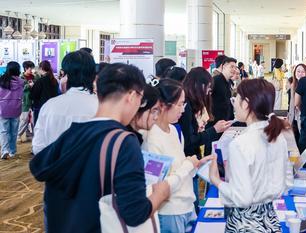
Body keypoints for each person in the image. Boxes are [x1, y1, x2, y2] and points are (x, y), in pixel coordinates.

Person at [29, 63, 170, 233]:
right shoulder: (124, 141)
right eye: (141, 99)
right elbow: (135, 213)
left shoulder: (72, 133)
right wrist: (160, 194)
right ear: (132, 96)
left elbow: (37, 166)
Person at [209, 79, 293, 232]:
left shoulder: (239, 144)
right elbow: (287, 184)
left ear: (246, 103)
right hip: (270, 221)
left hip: (244, 224)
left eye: (236, 99)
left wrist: (216, 180)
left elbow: (243, 198)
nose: (234, 104)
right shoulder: (278, 137)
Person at [141, 78, 211, 233]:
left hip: (187, 205)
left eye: (184, 104)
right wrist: (188, 165)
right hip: (169, 211)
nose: (183, 109)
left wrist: (196, 164)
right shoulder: (151, 137)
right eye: (179, 104)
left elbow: (179, 168)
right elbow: (157, 186)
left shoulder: (173, 130)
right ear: (164, 105)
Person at [178, 67, 231, 213]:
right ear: (198, 85)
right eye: (207, 87)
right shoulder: (186, 107)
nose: (209, 92)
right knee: (192, 203)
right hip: (188, 161)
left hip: (194, 161)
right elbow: (189, 140)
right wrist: (214, 131)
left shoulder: (196, 105)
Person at [32, 50, 98, 155]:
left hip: (54, 168)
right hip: (89, 169)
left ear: (65, 75)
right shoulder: (100, 106)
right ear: (93, 75)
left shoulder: (50, 106)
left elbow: (37, 147)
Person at [0, 62, 24, 159]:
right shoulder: (21, 82)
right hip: (16, 108)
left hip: (3, 108)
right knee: (14, 131)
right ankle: (12, 151)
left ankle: (5, 150)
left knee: (4, 131)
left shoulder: (1, 80)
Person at [30, 60, 59, 125]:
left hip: (41, 108)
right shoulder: (54, 80)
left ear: (41, 68)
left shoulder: (40, 81)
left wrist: (32, 87)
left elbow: (33, 95)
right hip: (52, 108)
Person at [287, 64, 306, 143]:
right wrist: (289, 119)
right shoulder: (293, 85)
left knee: (302, 142)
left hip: (303, 118)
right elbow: (291, 103)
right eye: (298, 71)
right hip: (293, 118)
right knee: (294, 142)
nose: (300, 73)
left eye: (303, 72)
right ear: (295, 73)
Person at [211, 57, 237, 123]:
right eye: (231, 67)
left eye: (235, 67)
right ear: (224, 66)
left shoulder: (228, 82)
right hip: (215, 122)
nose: (234, 69)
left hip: (225, 121)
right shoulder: (215, 80)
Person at [17, 61, 36, 142]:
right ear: (25, 68)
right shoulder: (21, 77)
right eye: (30, 68)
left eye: (32, 68)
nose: (32, 70)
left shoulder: (35, 76)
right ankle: (18, 135)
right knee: (24, 119)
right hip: (25, 101)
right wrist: (29, 85)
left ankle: (33, 135)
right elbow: (20, 89)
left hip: (34, 100)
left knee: (33, 119)